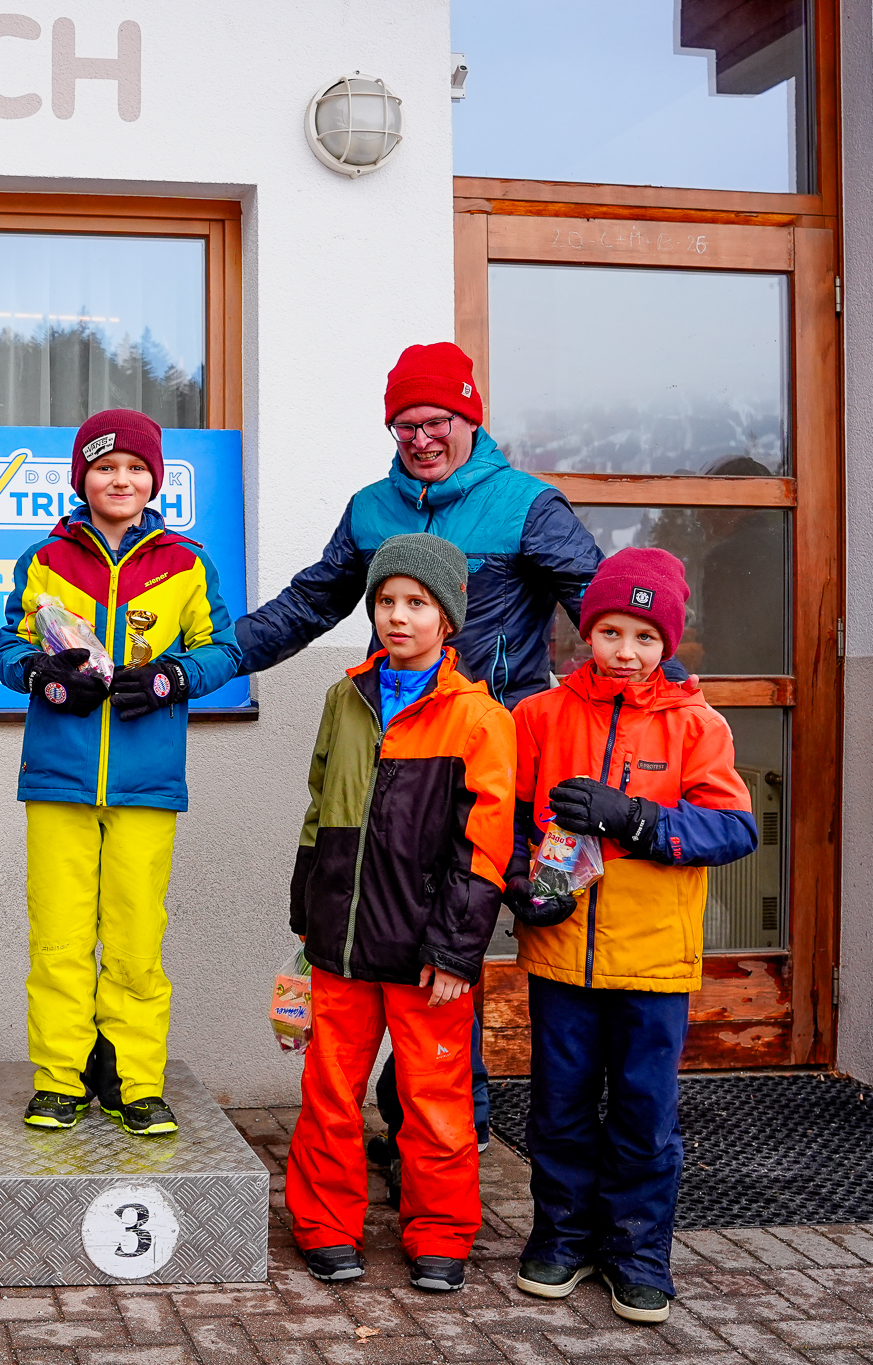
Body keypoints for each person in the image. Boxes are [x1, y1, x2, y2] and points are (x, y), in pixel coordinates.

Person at [235, 342, 604, 1169]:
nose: (421, 438)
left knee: (457, 944)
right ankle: (419, 1136)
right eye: (404, 424)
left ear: (470, 415)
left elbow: (606, 611)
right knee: (407, 942)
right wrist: (204, 664)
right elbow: (307, 605)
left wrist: (665, 695)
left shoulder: (526, 505)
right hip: (398, 765)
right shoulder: (372, 510)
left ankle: (451, 1141)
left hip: (492, 761)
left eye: (436, 420)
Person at [508, 548, 757, 1323]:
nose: (626, 650)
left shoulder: (697, 724)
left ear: (667, 642)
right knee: (559, 1106)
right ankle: (562, 1237)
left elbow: (734, 828)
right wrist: (520, 884)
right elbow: (507, 817)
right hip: (562, 959)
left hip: (654, 961)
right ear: (586, 632)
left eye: (646, 637)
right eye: (611, 631)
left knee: (645, 1114)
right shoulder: (539, 716)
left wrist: (636, 818)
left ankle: (638, 1254)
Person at [0, 409, 241, 1137]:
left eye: (135, 468)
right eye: (105, 467)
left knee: (135, 944)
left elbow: (223, 649)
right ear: (83, 479)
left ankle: (136, 1084)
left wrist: (170, 678)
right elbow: (9, 649)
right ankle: (59, 1080)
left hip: (146, 784)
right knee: (59, 942)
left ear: (154, 480)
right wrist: (43, 676)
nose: (121, 479)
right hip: (58, 780)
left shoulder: (187, 563)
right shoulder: (44, 559)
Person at [283, 533, 516, 1292]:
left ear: (447, 618)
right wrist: (307, 915)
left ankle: (441, 1232)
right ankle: (325, 1225)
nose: (397, 616)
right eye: (386, 600)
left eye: (416, 602)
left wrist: (455, 952)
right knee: (329, 1097)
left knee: (436, 1105)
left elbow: (483, 848)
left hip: (426, 956)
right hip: (342, 945)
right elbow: (320, 811)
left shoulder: (479, 718)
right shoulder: (344, 699)